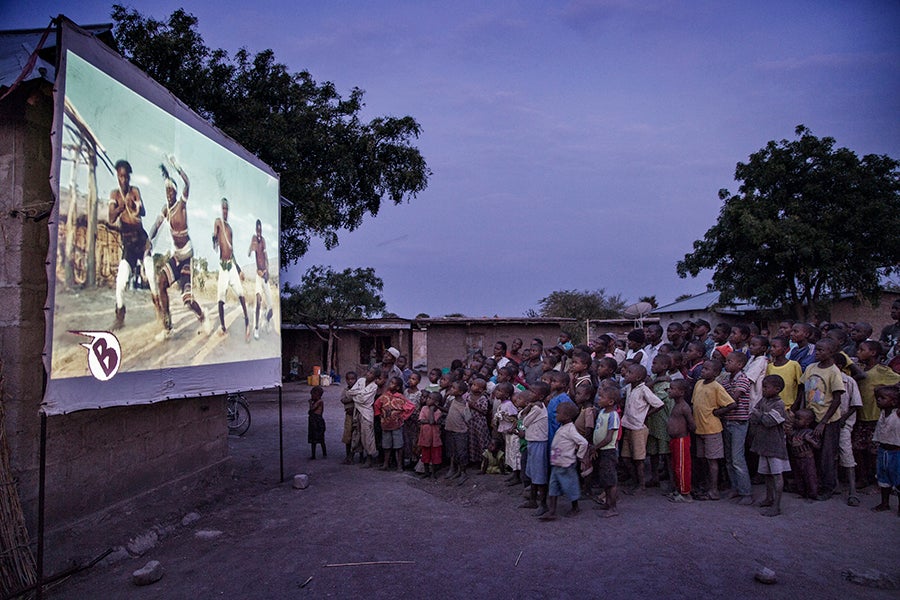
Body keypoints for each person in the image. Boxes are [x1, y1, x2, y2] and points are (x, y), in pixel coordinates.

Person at [148, 155, 206, 338]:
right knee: (161, 282)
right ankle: (168, 327)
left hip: (187, 256)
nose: (169, 195)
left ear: (175, 192)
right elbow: (156, 226)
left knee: (187, 301)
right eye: (167, 193)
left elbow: (187, 184)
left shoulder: (181, 205)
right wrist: (149, 240)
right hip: (176, 256)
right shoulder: (166, 210)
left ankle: (203, 317)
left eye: (172, 192)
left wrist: (176, 166)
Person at [108, 159, 156, 330]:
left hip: (141, 242)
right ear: (117, 177)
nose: (124, 180)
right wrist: (121, 207)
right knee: (120, 283)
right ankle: (120, 316)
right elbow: (111, 217)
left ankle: (161, 311)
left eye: (126, 177)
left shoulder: (134, 191)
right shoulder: (115, 195)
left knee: (151, 278)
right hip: (128, 243)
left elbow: (142, 211)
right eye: (121, 177)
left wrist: (133, 205)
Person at [796, 338, 845, 500]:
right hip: (811, 417)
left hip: (828, 421)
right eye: (816, 350)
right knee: (811, 452)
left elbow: (837, 400)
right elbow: (803, 391)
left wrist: (823, 423)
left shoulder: (833, 372)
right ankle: (812, 485)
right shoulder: (810, 368)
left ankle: (828, 487)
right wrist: (802, 412)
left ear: (831, 352)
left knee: (826, 455)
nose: (817, 353)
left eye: (821, 350)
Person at [853, 340, 900, 488]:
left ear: (873, 353)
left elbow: (897, 381)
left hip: (874, 417)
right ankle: (863, 477)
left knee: (874, 451)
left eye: (862, 349)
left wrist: (886, 393)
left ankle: (876, 479)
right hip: (860, 416)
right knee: (858, 449)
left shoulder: (882, 371)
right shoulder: (859, 368)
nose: (858, 352)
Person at [692, 359, 736, 500]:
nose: (703, 371)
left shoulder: (717, 387)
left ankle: (714, 489)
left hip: (712, 429)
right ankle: (706, 485)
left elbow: (731, 404)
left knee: (713, 460)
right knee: (702, 459)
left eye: (707, 369)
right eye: (703, 368)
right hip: (699, 428)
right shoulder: (698, 383)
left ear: (716, 373)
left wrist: (719, 412)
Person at [540, 402, 589, 521]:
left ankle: (575, 506)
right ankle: (552, 511)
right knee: (553, 487)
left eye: (558, 413)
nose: (556, 415)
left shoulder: (570, 429)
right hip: (557, 464)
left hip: (566, 464)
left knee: (570, 486)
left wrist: (579, 456)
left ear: (566, 416)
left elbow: (584, 442)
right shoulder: (563, 427)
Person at [749, 375, 791, 516]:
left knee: (777, 475)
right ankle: (769, 498)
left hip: (775, 445)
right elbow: (754, 416)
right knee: (767, 474)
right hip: (763, 443)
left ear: (777, 389)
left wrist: (759, 415)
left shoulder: (779, 405)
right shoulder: (764, 400)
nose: (764, 390)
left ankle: (777, 506)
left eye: (766, 387)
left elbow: (767, 421)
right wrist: (760, 415)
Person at [620, 364, 664, 492]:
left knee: (638, 459)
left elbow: (659, 404)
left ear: (638, 377)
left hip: (638, 427)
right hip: (627, 425)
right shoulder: (629, 387)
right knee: (626, 458)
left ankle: (641, 484)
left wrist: (645, 415)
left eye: (629, 372)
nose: (626, 374)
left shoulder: (644, 390)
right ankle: (635, 481)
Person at [212, 198, 251, 340]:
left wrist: (239, 269)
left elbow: (232, 252)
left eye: (227, 209)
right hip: (223, 267)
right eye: (223, 208)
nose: (225, 211)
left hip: (232, 266)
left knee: (241, 293)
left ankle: (247, 320)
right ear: (220, 209)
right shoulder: (217, 222)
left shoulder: (230, 229)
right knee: (221, 297)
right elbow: (215, 245)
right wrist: (214, 238)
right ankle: (223, 326)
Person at [719, 351, 753, 505]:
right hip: (728, 421)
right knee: (729, 458)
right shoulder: (726, 380)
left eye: (730, 361)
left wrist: (719, 410)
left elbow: (733, 400)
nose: (726, 364)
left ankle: (746, 493)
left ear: (740, 365)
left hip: (739, 422)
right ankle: (735, 487)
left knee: (737, 458)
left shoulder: (743, 379)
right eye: (726, 361)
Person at [832, 353, 862, 506]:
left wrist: (843, 418)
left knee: (846, 454)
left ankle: (852, 491)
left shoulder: (848, 381)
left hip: (843, 423)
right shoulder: (826, 378)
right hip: (829, 422)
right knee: (832, 454)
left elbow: (855, 404)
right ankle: (835, 484)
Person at [374, 376, 415, 471]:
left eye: (392, 383)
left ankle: (399, 465)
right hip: (385, 425)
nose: (389, 384)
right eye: (390, 382)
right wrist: (379, 415)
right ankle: (386, 464)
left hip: (397, 426)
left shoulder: (400, 398)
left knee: (398, 446)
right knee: (386, 445)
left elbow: (411, 407)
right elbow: (376, 405)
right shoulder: (384, 396)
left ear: (397, 387)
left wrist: (403, 417)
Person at [591, 386, 621, 517]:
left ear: (611, 402)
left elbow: (609, 437)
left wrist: (595, 447)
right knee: (605, 479)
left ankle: (613, 507)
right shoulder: (602, 412)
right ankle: (607, 503)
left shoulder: (613, 415)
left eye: (602, 397)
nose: (599, 399)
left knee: (611, 480)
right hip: (602, 450)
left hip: (608, 451)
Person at [520, 386, 550, 515]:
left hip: (539, 443)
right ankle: (533, 500)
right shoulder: (534, 406)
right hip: (533, 442)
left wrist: (530, 407)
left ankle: (543, 504)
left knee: (539, 475)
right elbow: (520, 415)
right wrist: (529, 406)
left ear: (541, 397)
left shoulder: (538, 408)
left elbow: (524, 421)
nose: (530, 394)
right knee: (533, 473)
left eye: (533, 392)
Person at [871, 384, 900, 514]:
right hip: (883, 450)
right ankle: (884, 503)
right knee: (883, 478)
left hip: (896, 452)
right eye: (878, 398)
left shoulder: (897, 414)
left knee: (898, 479)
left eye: (883, 398)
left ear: (894, 402)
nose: (878, 400)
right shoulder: (883, 413)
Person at [647, 355, 674, 490]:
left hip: (663, 423)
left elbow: (654, 400)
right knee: (653, 453)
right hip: (652, 423)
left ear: (664, 366)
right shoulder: (654, 379)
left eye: (655, 363)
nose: (652, 366)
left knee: (666, 454)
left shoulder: (667, 385)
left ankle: (672, 482)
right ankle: (654, 477)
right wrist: (657, 379)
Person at [666, 379, 695, 503]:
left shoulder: (684, 407)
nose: (669, 391)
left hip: (682, 440)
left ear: (681, 392)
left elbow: (692, 424)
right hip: (675, 440)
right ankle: (679, 489)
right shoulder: (676, 404)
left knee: (682, 467)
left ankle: (685, 493)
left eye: (672, 389)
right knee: (676, 465)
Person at [347, 367, 383, 468]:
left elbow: (363, 399)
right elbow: (349, 392)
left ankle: (369, 458)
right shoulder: (361, 381)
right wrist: (358, 394)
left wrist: (356, 394)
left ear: (375, 377)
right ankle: (355, 455)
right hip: (357, 411)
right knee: (356, 434)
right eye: (368, 372)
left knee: (368, 436)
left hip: (367, 413)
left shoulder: (374, 387)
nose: (368, 374)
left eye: (371, 373)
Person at [247, 219, 274, 339]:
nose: (259, 231)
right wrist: (251, 247)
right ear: (255, 229)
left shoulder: (263, 240)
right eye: (257, 229)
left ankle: (266, 320)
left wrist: (267, 271)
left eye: (260, 229)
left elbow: (266, 258)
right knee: (258, 301)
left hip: (265, 275)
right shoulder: (254, 239)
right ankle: (256, 328)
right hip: (258, 275)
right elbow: (250, 253)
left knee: (271, 308)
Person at [789, 409, 821, 499]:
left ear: (807, 422)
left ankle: (813, 493)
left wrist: (810, 440)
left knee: (810, 476)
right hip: (796, 458)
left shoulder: (809, 432)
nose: (795, 420)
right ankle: (802, 492)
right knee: (799, 476)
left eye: (798, 419)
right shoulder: (796, 431)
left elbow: (818, 446)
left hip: (807, 459)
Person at [444, 380, 471, 482]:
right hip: (450, 429)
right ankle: (454, 469)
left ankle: (463, 472)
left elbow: (468, 418)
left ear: (460, 392)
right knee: (452, 451)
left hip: (460, 432)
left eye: (454, 388)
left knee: (461, 453)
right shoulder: (452, 401)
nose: (451, 389)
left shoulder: (464, 405)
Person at [493, 382, 520, 484]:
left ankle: (517, 475)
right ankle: (513, 474)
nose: (497, 392)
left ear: (507, 394)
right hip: (506, 433)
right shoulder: (502, 404)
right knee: (509, 453)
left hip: (512, 433)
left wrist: (512, 428)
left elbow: (515, 418)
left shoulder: (509, 405)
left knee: (514, 453)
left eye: (500, 391)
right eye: (497, 390)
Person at [766, 336, 803, 409]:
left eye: (775, 347)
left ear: (784, 349)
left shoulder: (794, 365)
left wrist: (794, 407)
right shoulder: (769, 367)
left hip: (788, 407)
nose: (772, 349)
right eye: (771, 347)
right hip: (772, 407)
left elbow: (801, 388)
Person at [466, 379, 492, 466]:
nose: (472, 386)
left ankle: (484, 460)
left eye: (475, 385)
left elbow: (484, 411)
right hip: (471, 422)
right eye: (472, 384)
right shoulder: (469, 396)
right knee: (472, 441)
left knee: (482, 440)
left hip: (480, 423)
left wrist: (473, 406)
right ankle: (474, 460)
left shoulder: (483, 398)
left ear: (481, 389)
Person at [417, 392, 443, 478]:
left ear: (436, 403)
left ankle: (433, 473)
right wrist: (430, 421)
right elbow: (421, 420)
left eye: (430, 398)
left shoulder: (438, 412)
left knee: (435, 457)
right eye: (428, 398)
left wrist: (432, 410)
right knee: (425, 456)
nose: (427, 399)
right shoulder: (424, 408)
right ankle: (426, 472)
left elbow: (431, 421)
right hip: (425, 436)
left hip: (435, 438)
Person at [403, 371, 423, 468]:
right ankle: (408, 459)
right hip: (406, 419)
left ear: (418, 381)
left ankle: (414, 460)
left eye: (413, 379)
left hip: (414, 420)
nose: (410, 380)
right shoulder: (406, 392)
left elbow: (419, 407)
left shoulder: (419, 393)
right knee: (407, 439)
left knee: (414, 440)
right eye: (410, 378)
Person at [340, 371, 359, 464]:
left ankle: (357, 456)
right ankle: (348, 455)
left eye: (353, 379)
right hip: (349, 416)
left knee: (358, 436)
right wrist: (351, 398)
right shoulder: (346, 390)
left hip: (357, 416)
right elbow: (343, 400)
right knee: (348, 436)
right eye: (348, 379)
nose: (350, 381)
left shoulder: (359, 390)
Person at [308, 386, 326, 459]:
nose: (312, 396)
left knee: (320, 438)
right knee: (313, 439)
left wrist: (310, 403)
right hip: (313, 421)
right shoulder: (316, 401)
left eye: (313, 395)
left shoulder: (319, 402)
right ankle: (313, 455)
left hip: (317, 421)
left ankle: (324, 453)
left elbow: (312, 409)